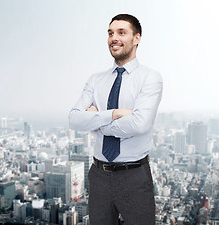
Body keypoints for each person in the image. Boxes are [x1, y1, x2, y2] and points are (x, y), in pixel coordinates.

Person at [69, 14, 163, 225]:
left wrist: (96, 121)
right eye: (111, 33)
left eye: (122, 32)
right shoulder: (96, 80)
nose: (114, 38)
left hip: (134, 176)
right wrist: (114, 114)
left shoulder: (150, 77)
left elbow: (141, 123)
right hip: (99, 175)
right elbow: (74, 120)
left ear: (137, 38)